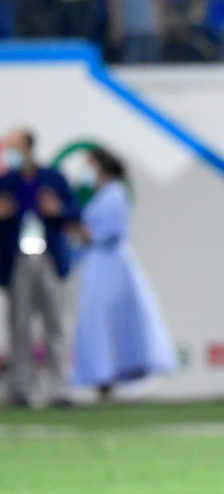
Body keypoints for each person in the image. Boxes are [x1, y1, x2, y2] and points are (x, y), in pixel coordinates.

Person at [71, 147, 176, 398]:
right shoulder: (102, 194)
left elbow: (115, 230)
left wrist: (89, 234)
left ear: (100, 166)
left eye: (90, 165)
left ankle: (115, 373)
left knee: (109, 317)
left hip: (111, 265)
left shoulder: (116, 193)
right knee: (97, 319)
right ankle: (102, 376)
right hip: (97, 264)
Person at [0, 129, 80, 408]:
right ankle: (22, 388)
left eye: (15, 146)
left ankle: (60, 388)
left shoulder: (53, 178)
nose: (10, 152)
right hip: (18, 259)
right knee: (19, 325)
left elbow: (74, 212)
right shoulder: (6, 182)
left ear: (29, 147)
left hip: (49, 258)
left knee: (55, 324)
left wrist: (57, 210)